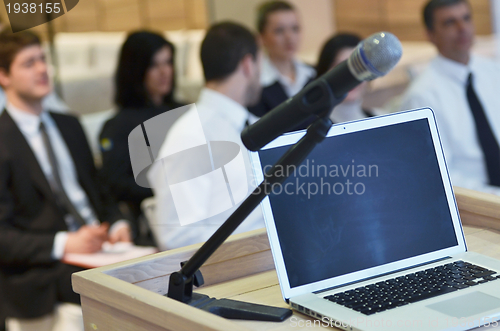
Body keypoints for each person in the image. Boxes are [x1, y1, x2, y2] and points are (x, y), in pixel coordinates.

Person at [0, 30, 131, 331]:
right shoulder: (3, 140)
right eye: (29, 63)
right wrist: (65, 243)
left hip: (101, 252)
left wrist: (117, 224)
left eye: (43, 59)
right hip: (45, 274)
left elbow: (101, 193)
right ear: (4, 76)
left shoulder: (69, 125)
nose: (42, 69)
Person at [147, 22, 265, 250]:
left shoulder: (254, 124)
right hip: (233, 274)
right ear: (248, 65)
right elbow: (177, 238)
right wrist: (258, 241)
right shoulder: (191, 135)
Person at [399, 0, 500, 195]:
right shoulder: (421, 97)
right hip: (475, 204)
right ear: (430, 34)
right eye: (449, 22)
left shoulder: (494, 72)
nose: (462, 28)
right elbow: (439, 175)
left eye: (466, 19)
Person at [99, 31, 184, 240]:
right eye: (154, 65)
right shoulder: (118, 126)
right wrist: (164, 186)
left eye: (168, 62)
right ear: (136, 70)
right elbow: (115, 183)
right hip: (156, 217)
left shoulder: (186, 112)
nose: (165, 72)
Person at [248, 0, 315, 129]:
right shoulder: (255, 86)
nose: (289, 37)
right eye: (279, 31)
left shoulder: (314, 73)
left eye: (295, 29)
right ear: (261, 37)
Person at [316, 33, 378, 124]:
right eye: (341, 68)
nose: (351, 76)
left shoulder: (380, 118)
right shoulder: (311, 129)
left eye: (358, 66)